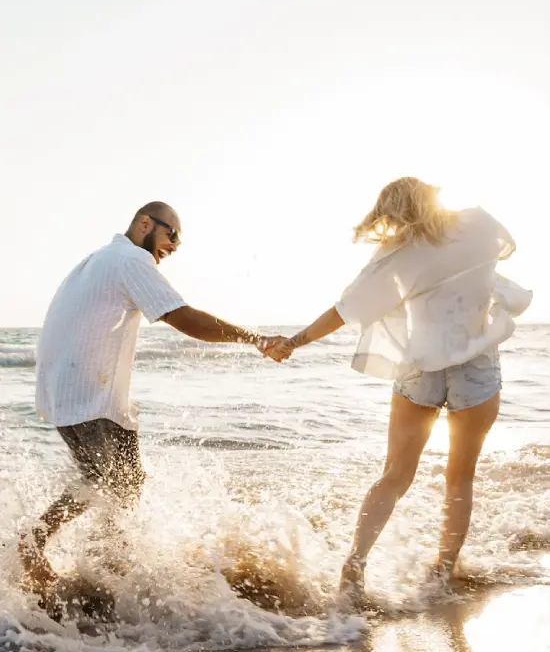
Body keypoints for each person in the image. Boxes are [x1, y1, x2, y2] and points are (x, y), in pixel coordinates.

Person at [263, 178, 532, 606]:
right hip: (477, 369)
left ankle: (355, 563)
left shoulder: (396, 255)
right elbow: (504, 249)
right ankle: (443, 571)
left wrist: (294, 342)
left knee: (394, 476)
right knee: (460, 478)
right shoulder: (480, 224)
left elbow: (345, 310)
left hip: (420, 369)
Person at [21, 201, 278, 618]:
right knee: (105, 480)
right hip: (85, 393)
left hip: (82, 391)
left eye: (179, 238)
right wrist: (255, 338)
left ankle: (109, 562)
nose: (174, 245)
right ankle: (35, 542)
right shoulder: (131, 259)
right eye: (170, 233)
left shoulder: (101, 258)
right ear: (144, 224)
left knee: (125, 484)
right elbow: (187, 320)